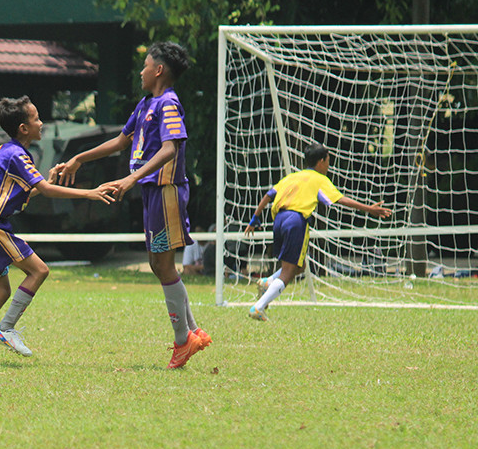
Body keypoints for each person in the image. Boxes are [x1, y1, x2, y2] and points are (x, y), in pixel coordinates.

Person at [55, 41, 211, 369]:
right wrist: (79, 158)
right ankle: (193, 332)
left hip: (166, 191)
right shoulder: (145, 104)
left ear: (159, 70)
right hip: (152, 192)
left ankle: (183, 341)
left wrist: (130, 179)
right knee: (158, 265)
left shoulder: (168, 103)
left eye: (145, 65)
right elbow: (120, 141)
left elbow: (170, 149)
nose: (141, 71)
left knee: (163, 266)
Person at [0, 96, 114, 367]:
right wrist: (90, 193)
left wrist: (46, 181)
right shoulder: (16, 154)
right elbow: (46, 191)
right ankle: (6, 329)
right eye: (37, 119)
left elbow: (28, 194)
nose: (42, 124)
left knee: (0, 291)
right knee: (39, 271)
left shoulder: (8, 151)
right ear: (23, 128)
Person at [244, 143, 392, 319]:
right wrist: (369, 209)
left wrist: (255, 218)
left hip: (279, 220)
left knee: (300, 266)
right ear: (321, 161)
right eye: (328, 160)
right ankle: (258, 307)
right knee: (288, 272)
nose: (329, 165)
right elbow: (340, 199)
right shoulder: (319, 179)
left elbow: (269, 195)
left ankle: (268, 282)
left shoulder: (292, 177)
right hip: (296, 221)